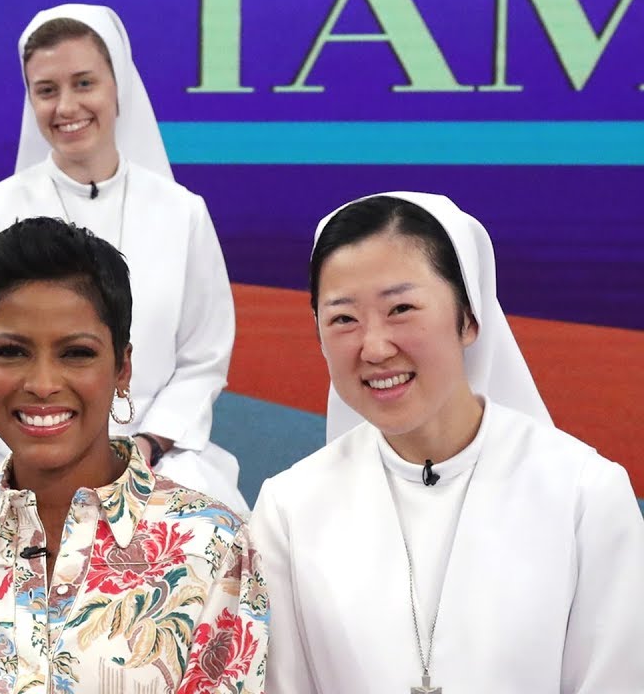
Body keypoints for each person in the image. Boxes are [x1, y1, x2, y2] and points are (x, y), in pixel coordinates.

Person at [249, 192, 644, 692]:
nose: (375, 348)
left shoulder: (585, 495)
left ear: (469, 317)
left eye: (401, 308)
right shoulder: (288, 509)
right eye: (343, 319)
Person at [0, 218, 267, 693]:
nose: (43, 383)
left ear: (123, 368)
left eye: (76, 353)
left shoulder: (215, 546)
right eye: (12, 352)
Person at [0, 4, 246, 513]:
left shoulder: (183, 213)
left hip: (157, 458)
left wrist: (143, 446)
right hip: (16, 454)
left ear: (118, 86)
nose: (66, 106)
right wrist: (54, 451)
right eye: (46, 90)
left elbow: (203, 359)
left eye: (84, 83)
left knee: (214, 534)